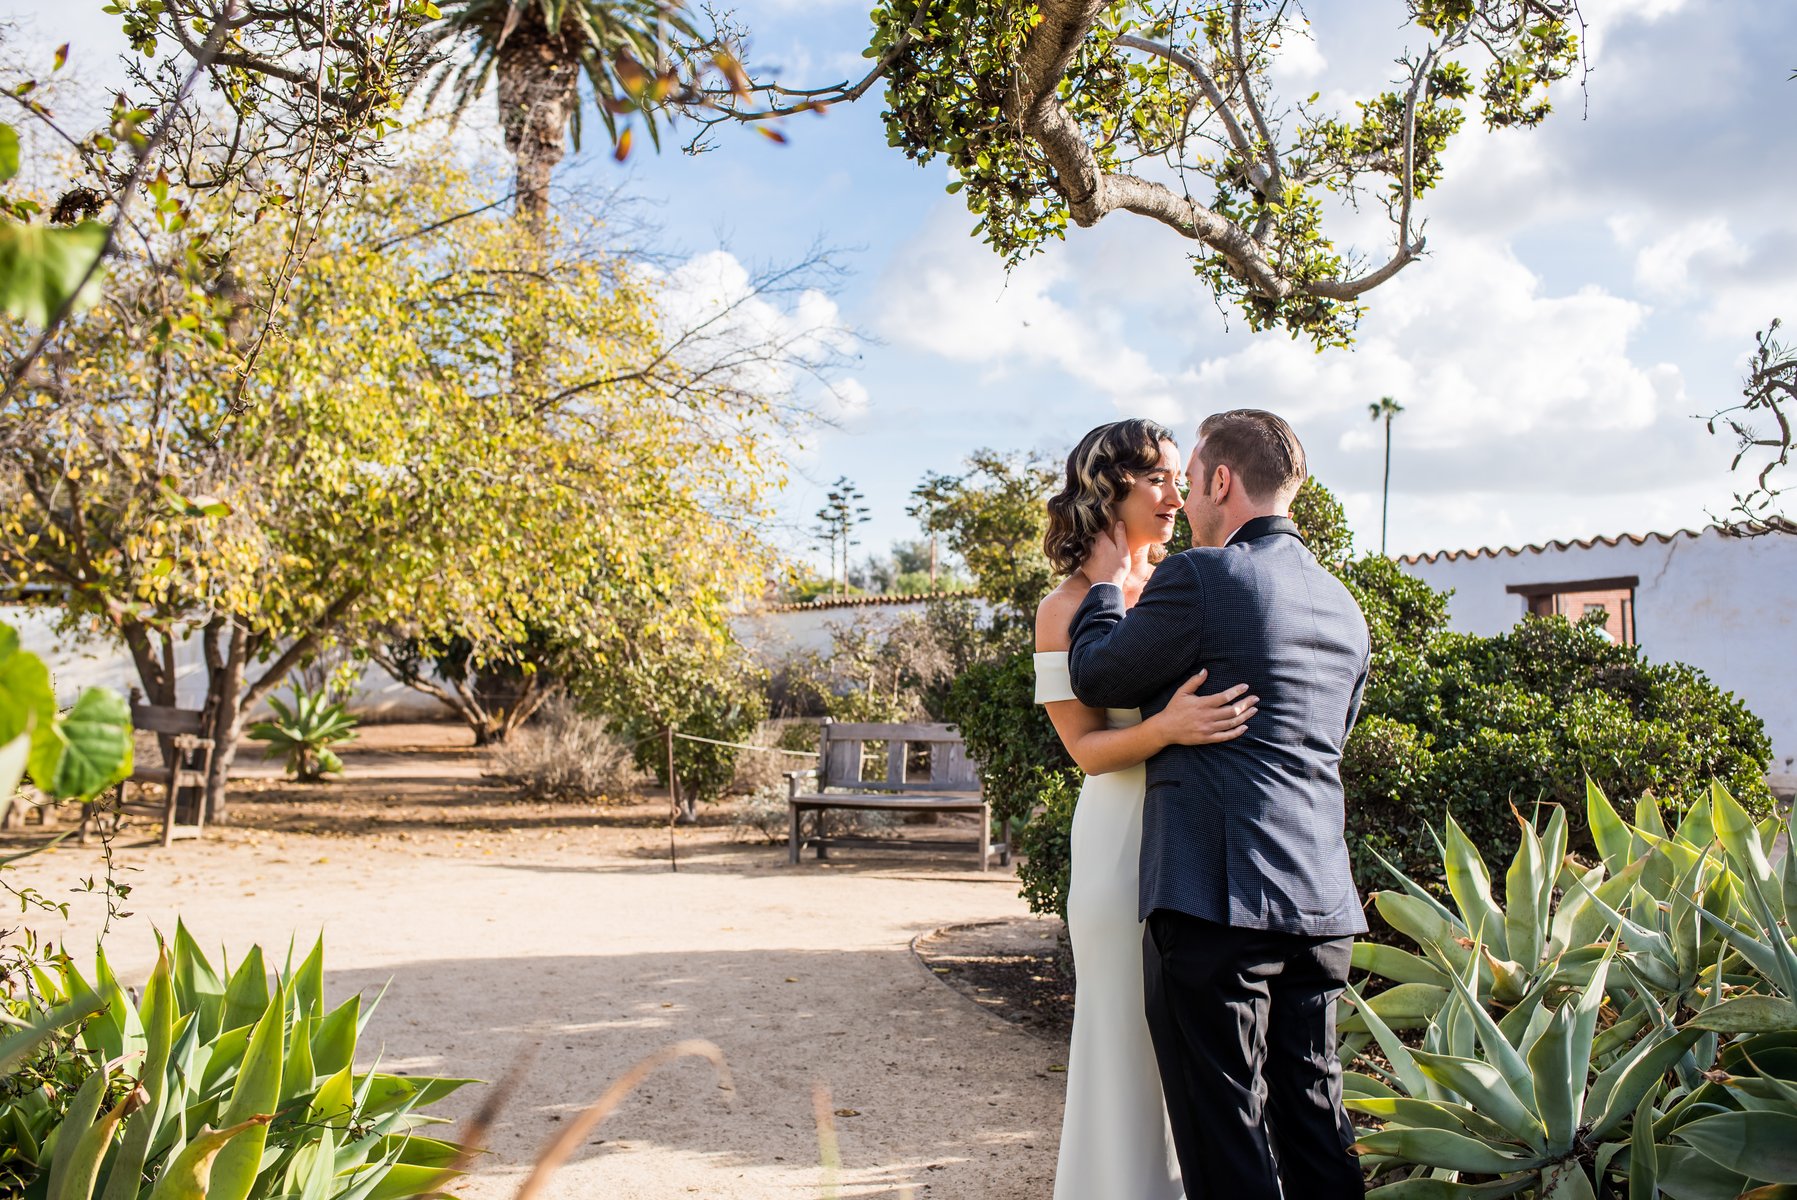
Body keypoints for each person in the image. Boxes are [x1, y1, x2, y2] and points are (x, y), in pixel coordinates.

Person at [1067, 408, 1371, 1200]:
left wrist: (1103, 585)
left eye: (1191, 478)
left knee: (1224, 1135)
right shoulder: (1341, 602)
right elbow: (1330, 738)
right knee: (1315, 1120)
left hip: (1215, 904)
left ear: (1222, 481)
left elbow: (1096, 675)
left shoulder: (1203, 575)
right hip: (1320, 905)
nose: (1182, 496)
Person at [1033, 418, 1261, 1200]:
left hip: (1200, 838)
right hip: (1118, 842)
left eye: (1177, 477)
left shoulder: (1188, 582)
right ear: (1110, 487)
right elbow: (1086, 749)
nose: (1175, 493)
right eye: (1157, 477)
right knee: (1122, 1034)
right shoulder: (1063, 608)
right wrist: (1167, 729)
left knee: (1195, 1043)